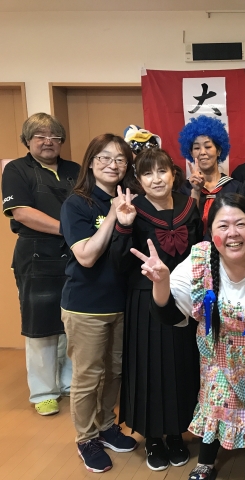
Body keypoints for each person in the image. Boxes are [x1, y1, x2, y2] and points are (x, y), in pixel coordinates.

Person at [133, 193, 245, 480]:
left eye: (241, 224)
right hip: (221, 355)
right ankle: (206, 462)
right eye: (223, 226)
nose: (233, 233)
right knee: (216, 402)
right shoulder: (199, 261)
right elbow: (170, 315)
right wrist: (162, 283)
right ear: (211, 232)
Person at [110, 148, 202, 471]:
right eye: (147, 173)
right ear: (138, 179)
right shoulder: (131, 209)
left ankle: (176, 432)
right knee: (147, 366)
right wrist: (123, 226)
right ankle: (151, 436)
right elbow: (119, 263)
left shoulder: (189, 205)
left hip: (182, 297)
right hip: (144, 299)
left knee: (181, 363)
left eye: (162, 171)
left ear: (173, 174)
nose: (156, 179)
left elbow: (200, 254)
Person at [59, 134, 138, 473]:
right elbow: (86, 256)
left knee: (114, 372)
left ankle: (106, 426)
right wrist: (112, 214)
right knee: (88, 376)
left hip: (120, 302)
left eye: (120, 159)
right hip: (85, 305)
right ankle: (86, 438)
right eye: (104, 157)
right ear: (91, 162)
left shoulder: (131, 198)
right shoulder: (77, 204)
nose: (112, 164)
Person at [1, 113, 79, 416]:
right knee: (41, 325)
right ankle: (44, 392)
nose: (48, 142)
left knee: (72, 322)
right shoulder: (16, 170)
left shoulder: (74, 170)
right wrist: (69, 230)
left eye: (54, 136)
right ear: (27, 140)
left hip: (75, 255)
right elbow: (21, 212)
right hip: (36, 255)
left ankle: (69, 382)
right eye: (40, 136)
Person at [179, 115, 242, 228]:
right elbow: (185, 226)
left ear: (219, 151)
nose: (202, 152)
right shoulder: (184, 189)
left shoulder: (235, 188)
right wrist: (196, 192)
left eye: (208, 146)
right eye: (197, 148)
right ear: (191, 153)